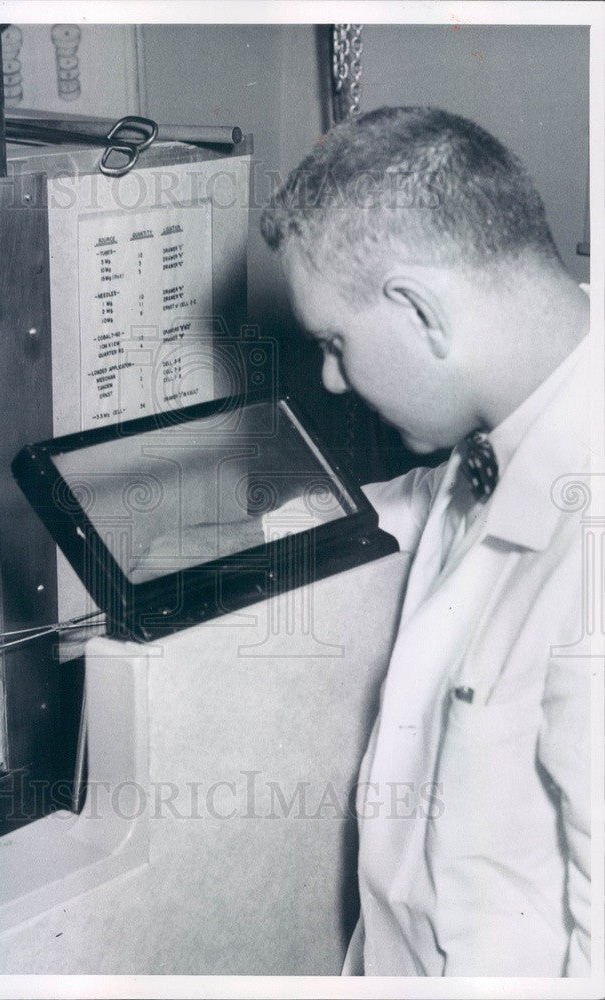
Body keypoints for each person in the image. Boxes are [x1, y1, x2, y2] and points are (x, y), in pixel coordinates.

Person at [259, 106, 591, 976]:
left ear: (419, 310)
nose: (331, 381)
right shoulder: (511, 407)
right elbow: (419, 508)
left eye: (335, 343)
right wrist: (240, 542)